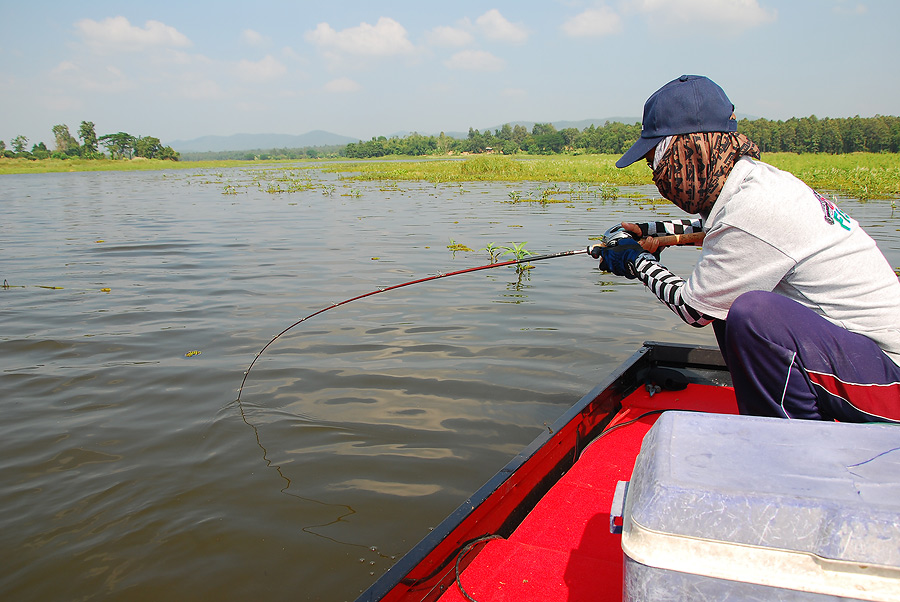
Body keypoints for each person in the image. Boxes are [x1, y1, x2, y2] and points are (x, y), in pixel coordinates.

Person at [598, 74, 900, 423]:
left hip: (887, 387)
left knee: (751, 314)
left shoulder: (756, 207)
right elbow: (721, 228)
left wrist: (636, 261)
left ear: (688, 150)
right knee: (727, 300)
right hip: (864, 359)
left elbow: (694, 310)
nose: (655, 174)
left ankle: (793, 446)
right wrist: (652, 232)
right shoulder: (761, 184)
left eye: (655, 161)